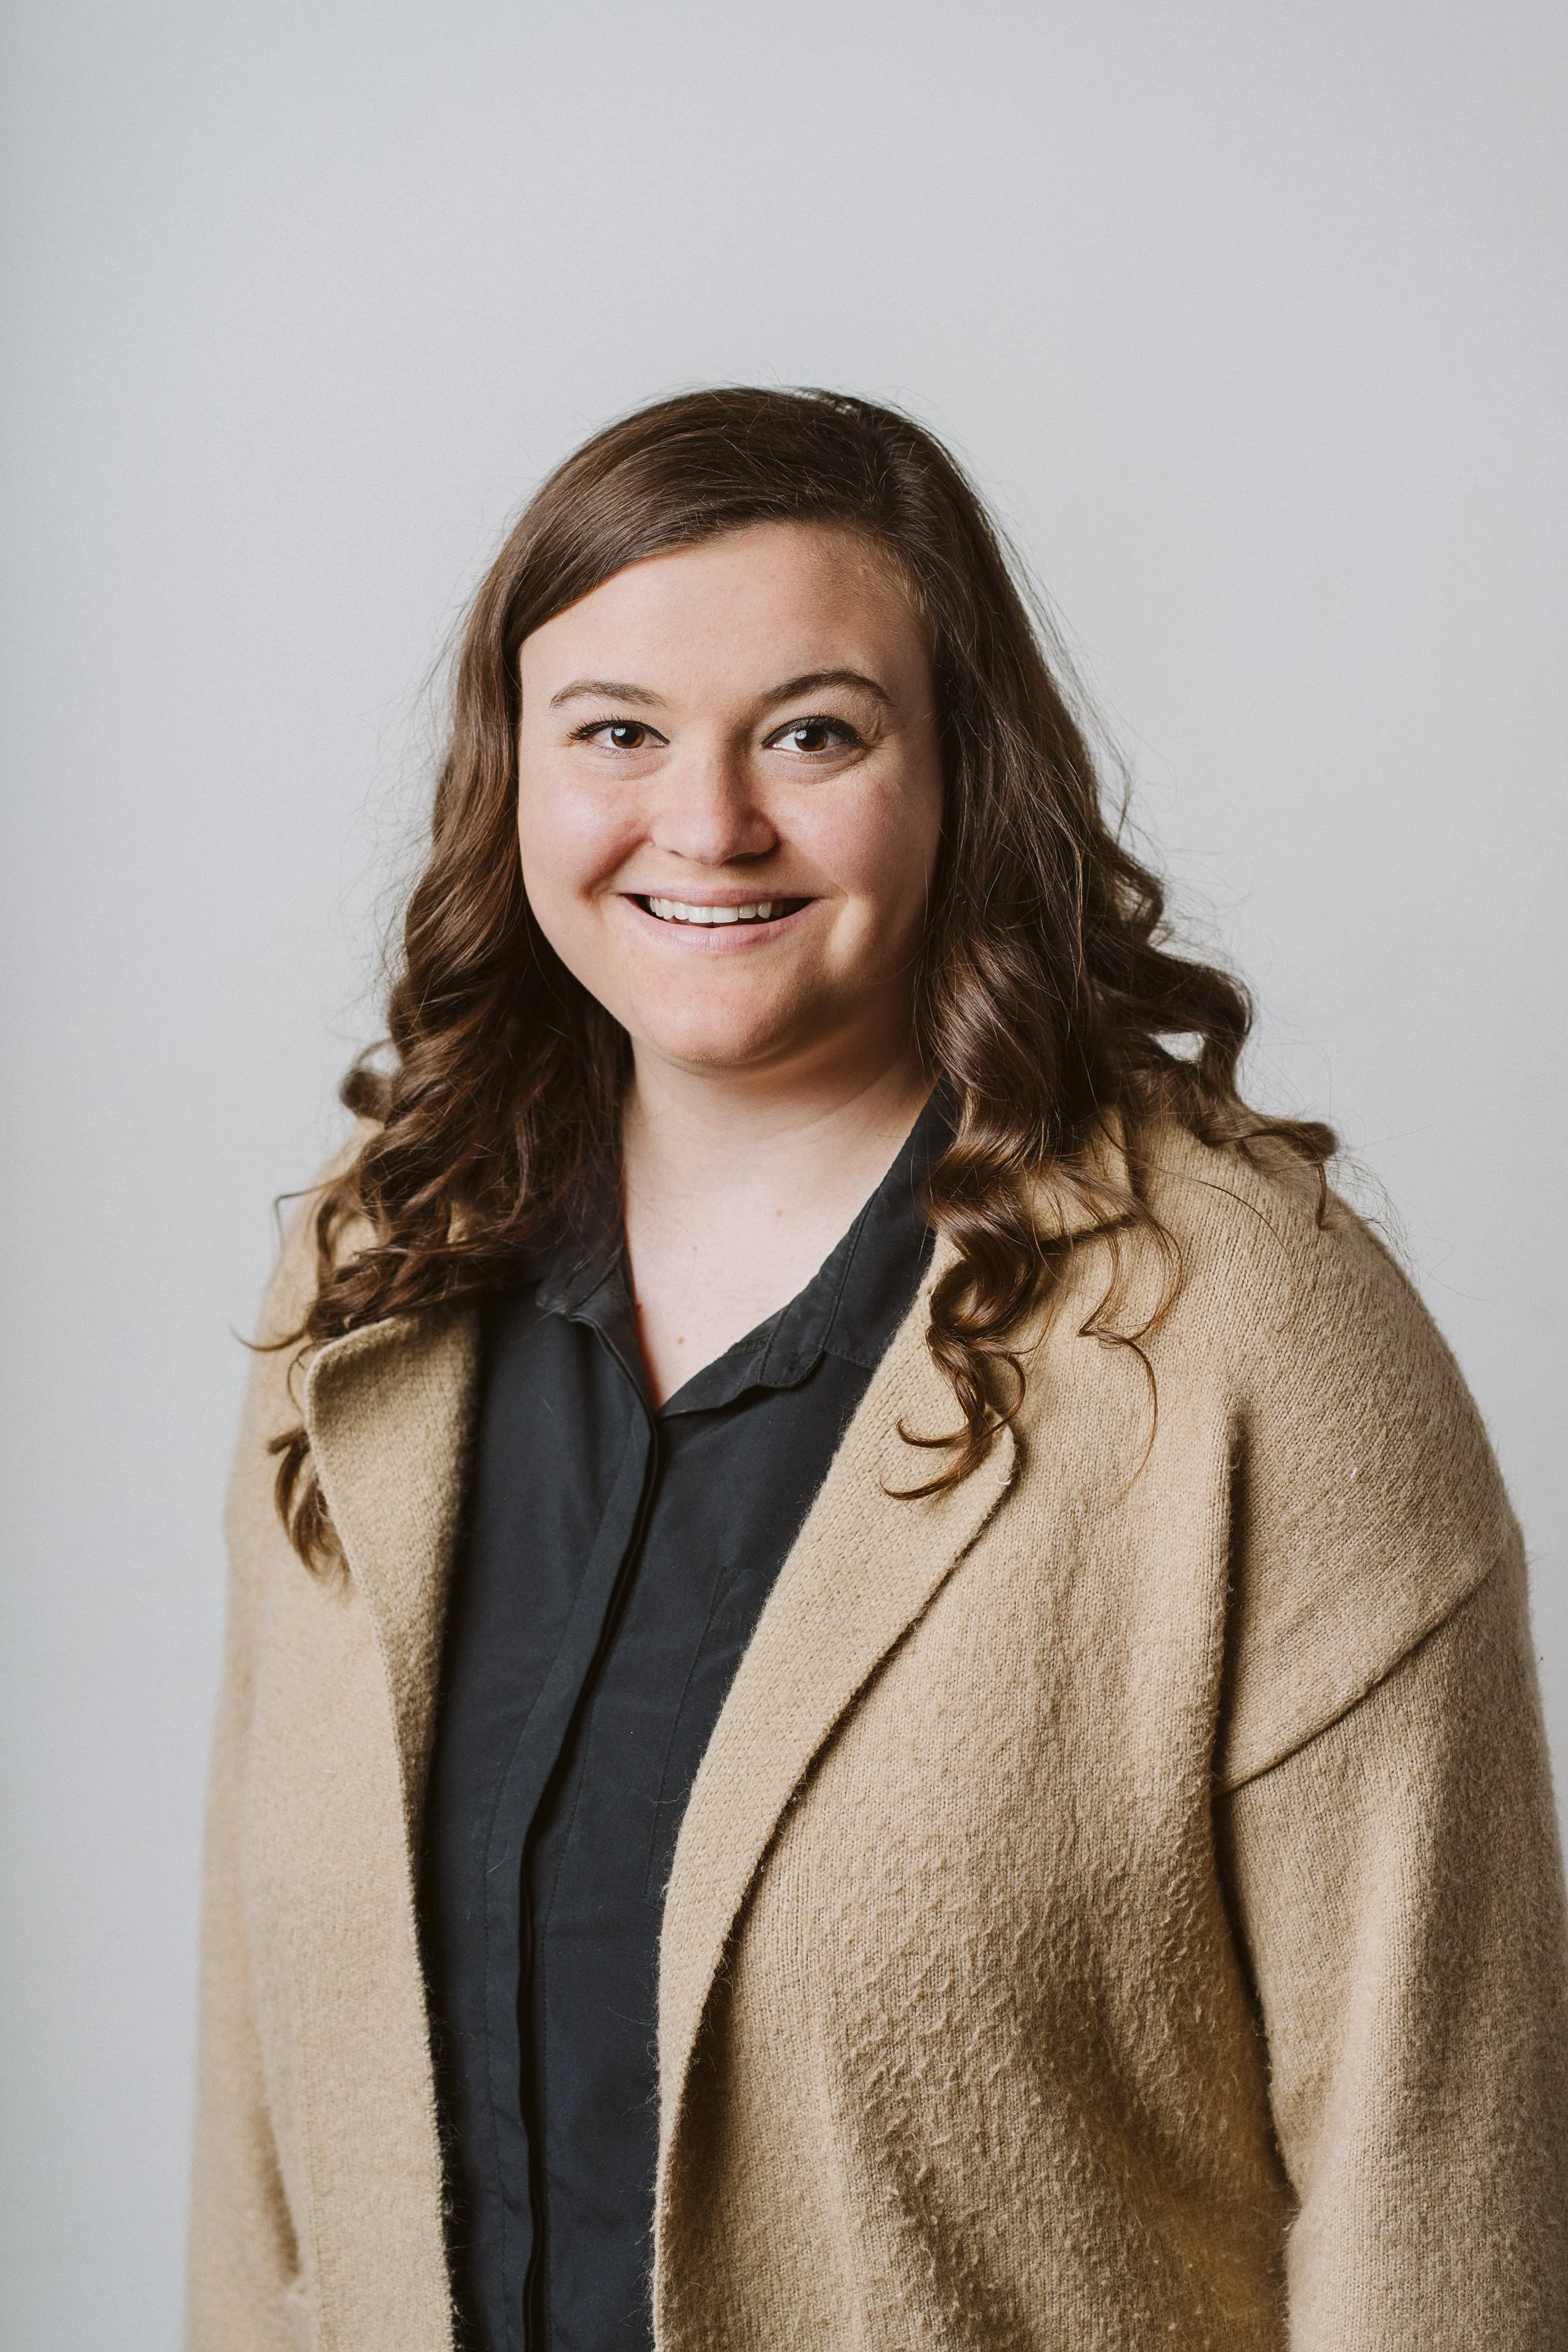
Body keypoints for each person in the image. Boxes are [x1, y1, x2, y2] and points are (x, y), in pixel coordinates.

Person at [185, 387, 1568, 2352]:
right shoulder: (370, 1279)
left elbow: (1439, 2173)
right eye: (617, 735)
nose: (708, 822)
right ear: (515, 778)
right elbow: (264, 2118)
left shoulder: (1252, 1331)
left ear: (960, 777)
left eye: (813, 732)